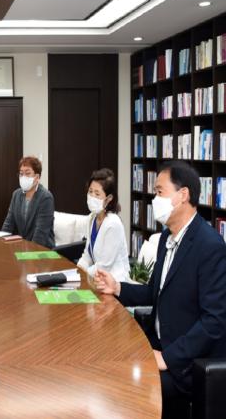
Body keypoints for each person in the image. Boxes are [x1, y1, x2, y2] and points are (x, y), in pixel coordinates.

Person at [94, 161, 226, 419]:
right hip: (157, 345)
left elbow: (214, 321)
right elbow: (155, 292)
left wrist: (168, 358)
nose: (154, 199)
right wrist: (117, 287)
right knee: (107, 364)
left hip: (187, 362)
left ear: (183, 195)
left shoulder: (210, 246)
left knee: (124, 389)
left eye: (159, 192)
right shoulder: (167, 237)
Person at [77, 168, 130, 282]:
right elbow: (87, 255)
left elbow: (104, 266)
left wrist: (82, 275)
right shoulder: (92, 218)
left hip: (115, 282)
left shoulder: (113, 224)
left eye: (97, 194)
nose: (92, 196)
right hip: (97, 279)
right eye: (90, 191)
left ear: (108, 199)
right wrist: (78, 269)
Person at [1, 156, 55, 248]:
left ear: (37, 177)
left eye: (27, 173)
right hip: (23, 247)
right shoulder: (16, 194)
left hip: (42, 249)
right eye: (21, 174)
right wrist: (1, 243)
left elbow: (40, 235)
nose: (23, 177)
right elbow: (8, 224)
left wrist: (28, 252)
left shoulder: (46, 197)